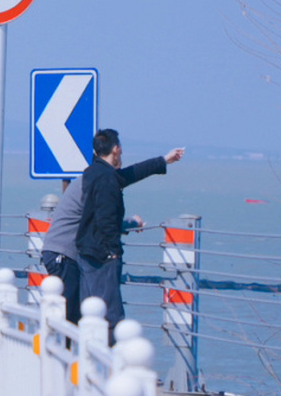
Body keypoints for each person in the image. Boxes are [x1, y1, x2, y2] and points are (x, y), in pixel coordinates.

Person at [37, 141, 184, 311]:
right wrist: (131, 223)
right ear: (114, 152)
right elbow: (101, 222)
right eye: (120, 154)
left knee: (76, 312)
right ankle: (56, 337)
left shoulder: (95, 178)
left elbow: (132, 174)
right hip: (62, 254)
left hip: (61, 252)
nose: (121, 160)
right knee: (69, 313)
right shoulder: (96, 182)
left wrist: (164, 160)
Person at [73, 129, 183, 342]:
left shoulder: (94, 172)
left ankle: (89, 359)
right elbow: (106, 219)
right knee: (110, 314)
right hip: (102, 255)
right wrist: (113, 251)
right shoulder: (106, 179)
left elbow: (131, 173)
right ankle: (112, 365)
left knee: (91, 311)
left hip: (86, 251)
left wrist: (164, 160)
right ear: (116, 149)